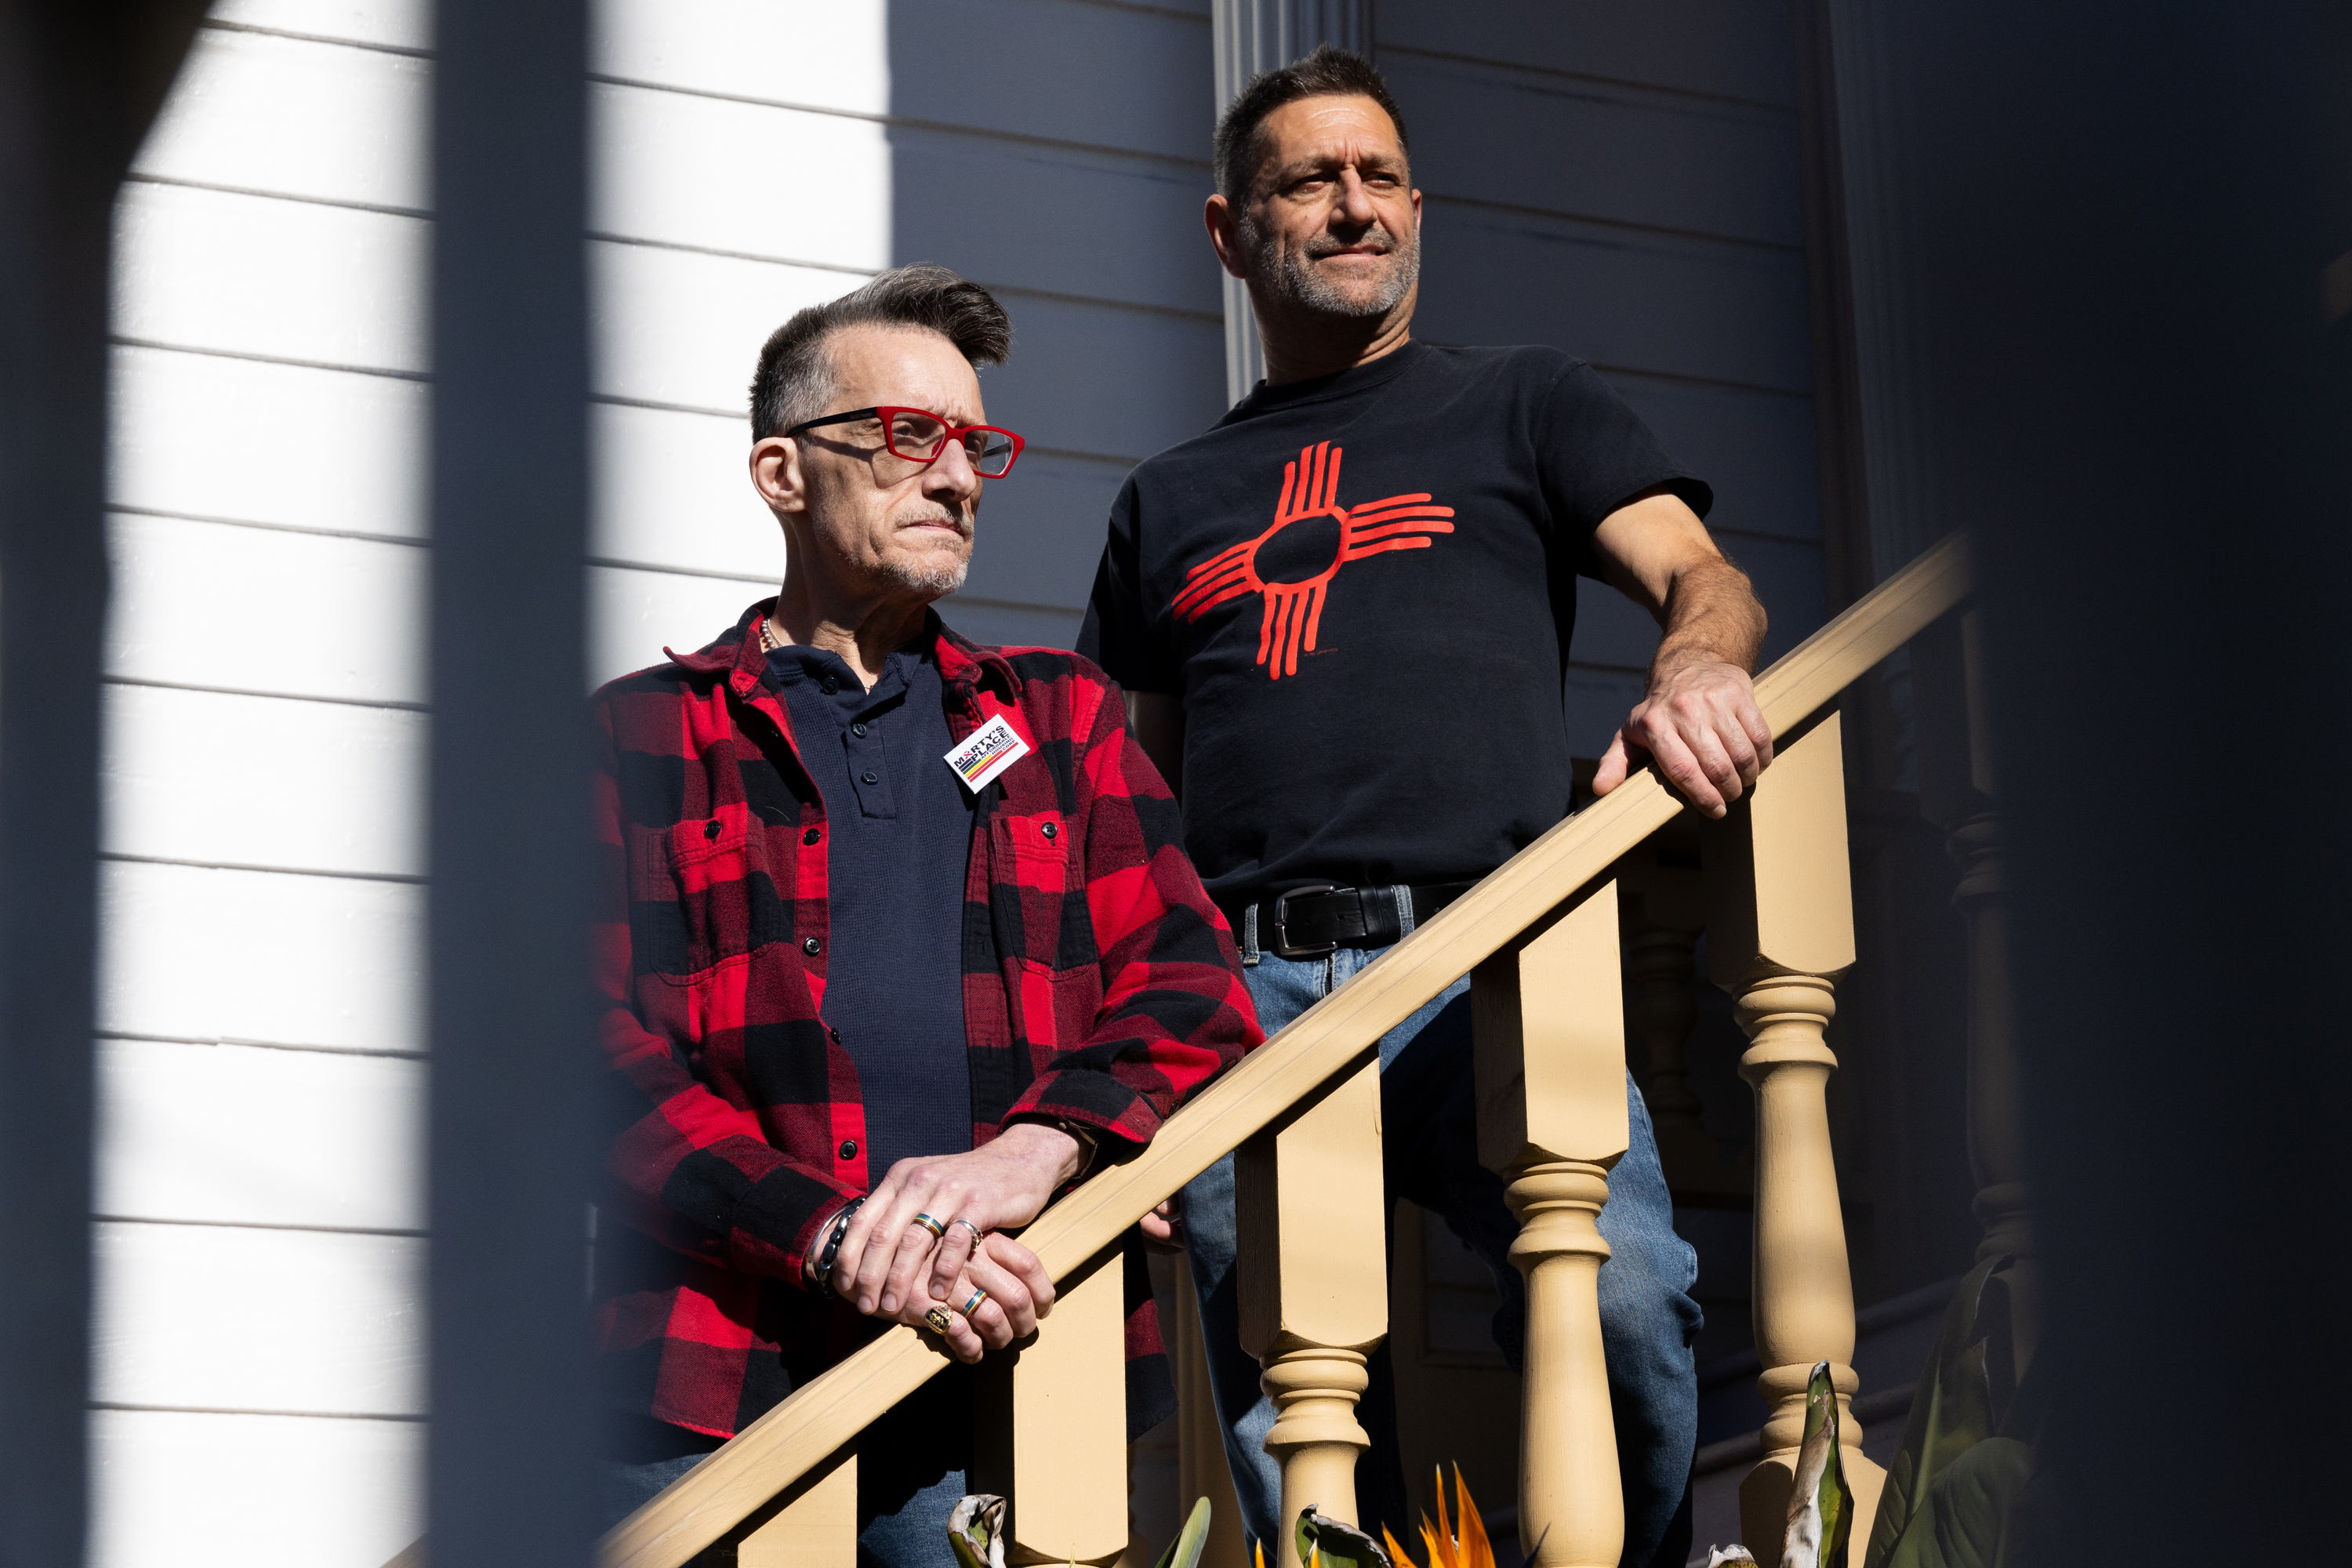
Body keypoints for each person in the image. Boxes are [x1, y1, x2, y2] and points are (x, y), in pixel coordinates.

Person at [1076, 48, 1776, 1568]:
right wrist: (1111, 1081)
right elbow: (1130, 806)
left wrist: (1698, 671)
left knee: (1629, 1295)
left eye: (1380, 174)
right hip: (1243, 995)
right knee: (1280, 1385)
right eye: (1309, 179)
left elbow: (1704, 579)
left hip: (1495, 954)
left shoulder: (1525, 402)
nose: (1352, 204)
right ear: (1227, 230)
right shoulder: (1169, 501)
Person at [591, 265, 1262, 1563]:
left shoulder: (1058, 719)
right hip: (709, 1385)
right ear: (783, 473)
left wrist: (1037, 1152)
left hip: (1003, 1365)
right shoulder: (638, 736)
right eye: (909, 436)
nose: (955, 477)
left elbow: (1193, 990)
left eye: (975, 445)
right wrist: (835, 1237)